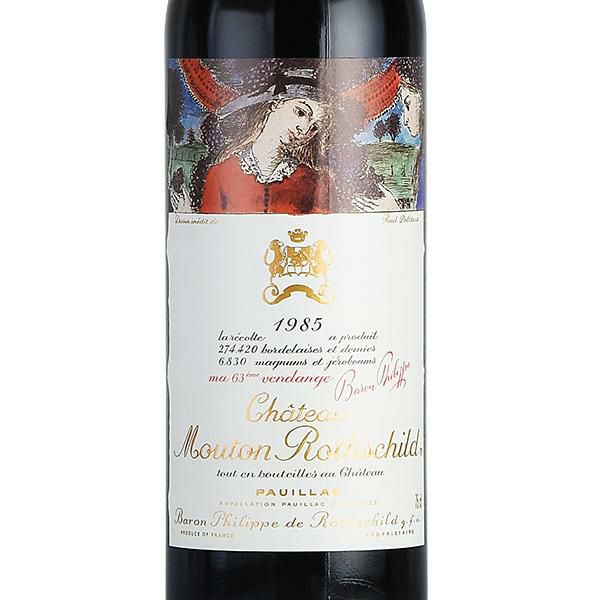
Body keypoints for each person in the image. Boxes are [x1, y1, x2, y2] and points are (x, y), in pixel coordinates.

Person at [200, 95, 336, 214]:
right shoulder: (220, 173)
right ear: (276, 104)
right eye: (300, 113)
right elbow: (210, 229)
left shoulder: (317, 182)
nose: (304, 130)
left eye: (314, 127)